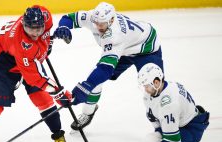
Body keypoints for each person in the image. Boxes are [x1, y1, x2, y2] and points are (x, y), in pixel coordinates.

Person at [0, 5, 72, 142]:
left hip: (26, 61)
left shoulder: (44, 16)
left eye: (38, 28)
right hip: (4, 64)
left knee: (43, 100)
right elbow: (35, 77)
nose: (35, 33)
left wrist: (53, 36)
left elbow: (43, 33)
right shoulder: (22, 45)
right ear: (24, 25)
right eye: (30, 29)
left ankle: (58, 135)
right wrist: (59, 93)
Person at [53, 2, 164, 131]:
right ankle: (88, 112)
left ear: (111, 20)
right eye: (96, 23)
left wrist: (85, 87)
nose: (98, 26)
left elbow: (105, 69)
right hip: (125, 49)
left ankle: (165, 127)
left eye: (102, 24)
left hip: (146, 49)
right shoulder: (94, 18)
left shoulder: (115, 35)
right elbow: (69, 18)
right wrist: (64, 27)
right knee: (95, 81)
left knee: (154, 88)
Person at [137, 63, 209, 142]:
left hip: (191, 129)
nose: (145, 89)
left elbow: (172, 140)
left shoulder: (169, 102)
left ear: (156, 83)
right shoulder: (152, 95)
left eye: (147, 86)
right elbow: (158, 126)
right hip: (178, 126)